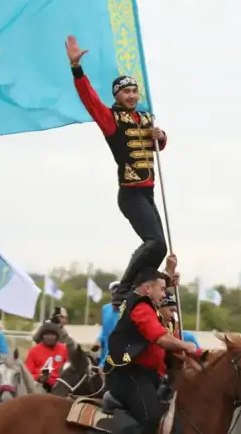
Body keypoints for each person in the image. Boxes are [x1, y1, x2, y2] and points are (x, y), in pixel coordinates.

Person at [66, 35, 169, 308]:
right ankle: (123, 289)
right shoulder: (111, 120)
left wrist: (160, 136)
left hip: (148, 193)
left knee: (161, 248)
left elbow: (157, 146)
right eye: (126, 92)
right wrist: (77, 69)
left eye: (134, 91)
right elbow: (89, 99)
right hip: (130, 194)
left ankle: (141, 287)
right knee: (154, 240)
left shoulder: (146, 117)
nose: (132, 96)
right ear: (117, 96)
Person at [104, 270, 197, 434]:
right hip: (130, 374)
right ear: (148, 289)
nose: (164, 294)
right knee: (152, 418)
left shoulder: (156, 315)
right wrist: (185, 345)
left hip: (150, 377)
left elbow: (169, 346)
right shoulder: (142, 307)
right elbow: (160, 338)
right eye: (162, 290)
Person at [25, 320, 68, 392]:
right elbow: (27, 374)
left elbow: (70, 370)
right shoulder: (34, 351)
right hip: (39, 385)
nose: (50, 337)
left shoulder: (63, 349)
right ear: (42, 336)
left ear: (57, 336)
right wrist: (38, 377)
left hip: (59, 384)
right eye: (47, 335)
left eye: (53, 335)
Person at [93, 281, 121, 366]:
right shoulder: (105, 308)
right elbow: (104, 330)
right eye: (113, 290)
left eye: (118, 290)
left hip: (119, 354)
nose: (115, 292)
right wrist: (98, 340)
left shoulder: (127, 310)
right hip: (104, 353)